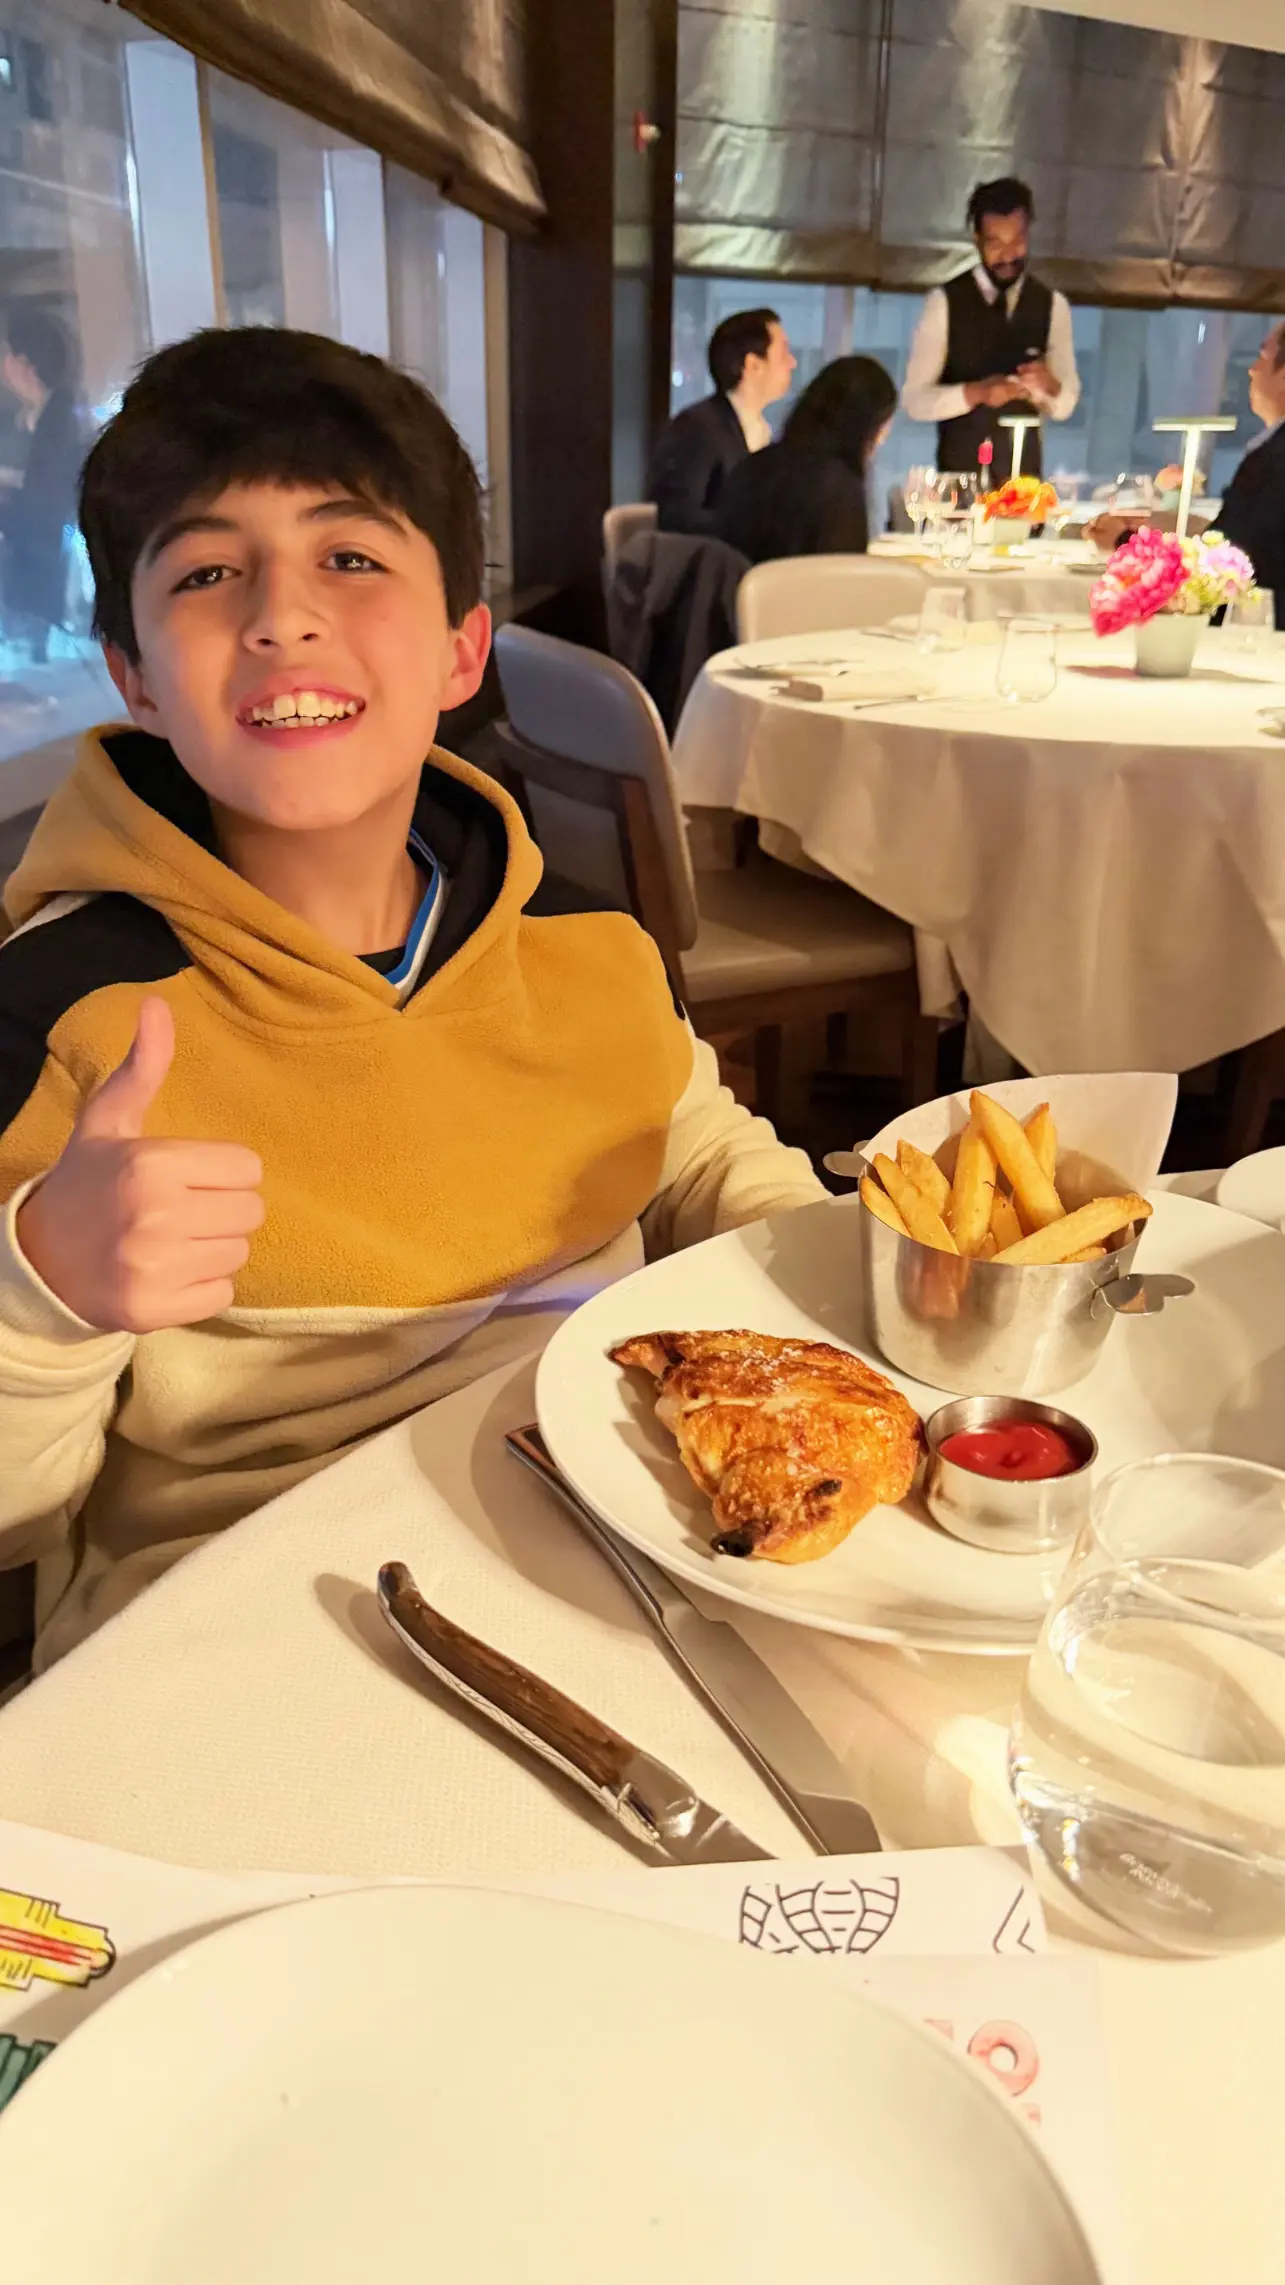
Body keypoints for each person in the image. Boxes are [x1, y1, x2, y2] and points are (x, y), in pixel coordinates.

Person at [0, 326, 825, 1668]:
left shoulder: (580, 935)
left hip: (632, 1578)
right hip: (246, 1651)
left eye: (349, 557)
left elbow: (689, 1147)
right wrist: (46, 1293)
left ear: (460, 650)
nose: (281, 615)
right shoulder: (59, 1012)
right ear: (134, 674)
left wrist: (829, 1257)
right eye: (207, 572)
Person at [1086, 325, 1285, 623]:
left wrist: (1125, 541)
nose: (1252, 370)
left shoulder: (1274, 459)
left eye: (1263, 358)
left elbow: (1227, 566)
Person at [900, 178, 1080, 479]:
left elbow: (1066, 405)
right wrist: (976, 393)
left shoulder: (1053, 305)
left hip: (1024, 486)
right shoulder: (943, 303)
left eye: (1017, 241)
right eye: (996, 244)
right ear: (977, 240)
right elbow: (915, 402)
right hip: (960, 485)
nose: (1008, 256)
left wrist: (1050, 387)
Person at [715, 355, 897, 564]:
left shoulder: (752, 466)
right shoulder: (839, 489)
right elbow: (842, 576)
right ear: (866, 427)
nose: (881, 441)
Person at [648, 308, 795, 535]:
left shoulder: (762, 429)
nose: (792, 363)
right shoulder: (696, 427)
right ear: (753, 365)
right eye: (784, 353)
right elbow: (677, 517)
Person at [0, 305, 83, 660]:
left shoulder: (59, 421)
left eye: (6, 352)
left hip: (45, 576)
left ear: (25, 364)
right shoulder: (38, 417)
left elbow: (45, 502)